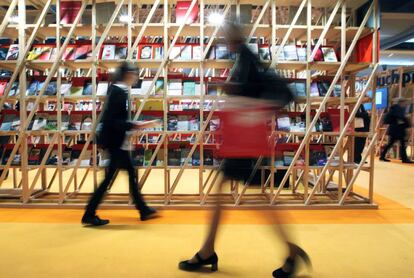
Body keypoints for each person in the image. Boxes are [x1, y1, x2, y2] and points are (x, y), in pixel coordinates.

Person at [178, 23, 310, 277]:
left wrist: (231, 91)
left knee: (256, 199)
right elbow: (251, 94)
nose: (223, 40)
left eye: (226, 35)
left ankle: (292, 252)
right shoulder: (245, 57)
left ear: (235, 36)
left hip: (244, 142)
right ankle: (207, 251)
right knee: (228, 195)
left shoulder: (246, 58)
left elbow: (250, 97)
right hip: (243, 141)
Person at [81, 62, 157, 226]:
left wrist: (131, 126)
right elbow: (114, 121)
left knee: (128, 173)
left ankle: (143, 209)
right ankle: (89, 213)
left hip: (117, 141)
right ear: (127, 74)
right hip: (115, 142)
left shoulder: (118, 90)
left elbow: (114, 120)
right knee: (110, 179)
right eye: (135, 73)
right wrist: (137, 125)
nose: (136, 77)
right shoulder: (118, 91)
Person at [380, 99, 413, 164]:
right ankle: (404, 159)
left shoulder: (394, 108)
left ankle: (382, 156)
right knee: (401, 144)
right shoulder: (398, 108)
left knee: (392, 144)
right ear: (401, 102)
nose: (405, 104)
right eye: (405, 102)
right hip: (397, 130)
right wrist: (408, 123)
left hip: (395, 130)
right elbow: (401, 117)